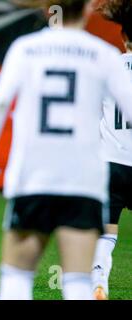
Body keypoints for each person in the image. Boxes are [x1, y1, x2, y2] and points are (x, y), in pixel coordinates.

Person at [0, 0, 132, 300]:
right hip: (83, 184)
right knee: (78, 283)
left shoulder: (25, 49)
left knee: (16, 279)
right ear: (85, 10)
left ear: (47, 10)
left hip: (33, 179)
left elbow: (0, 105)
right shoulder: (104, 56)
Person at [91, 0, 132, 300]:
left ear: (124, 38)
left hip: (111, 162)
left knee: (106, 232)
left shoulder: (108, 66)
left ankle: (99, 283)